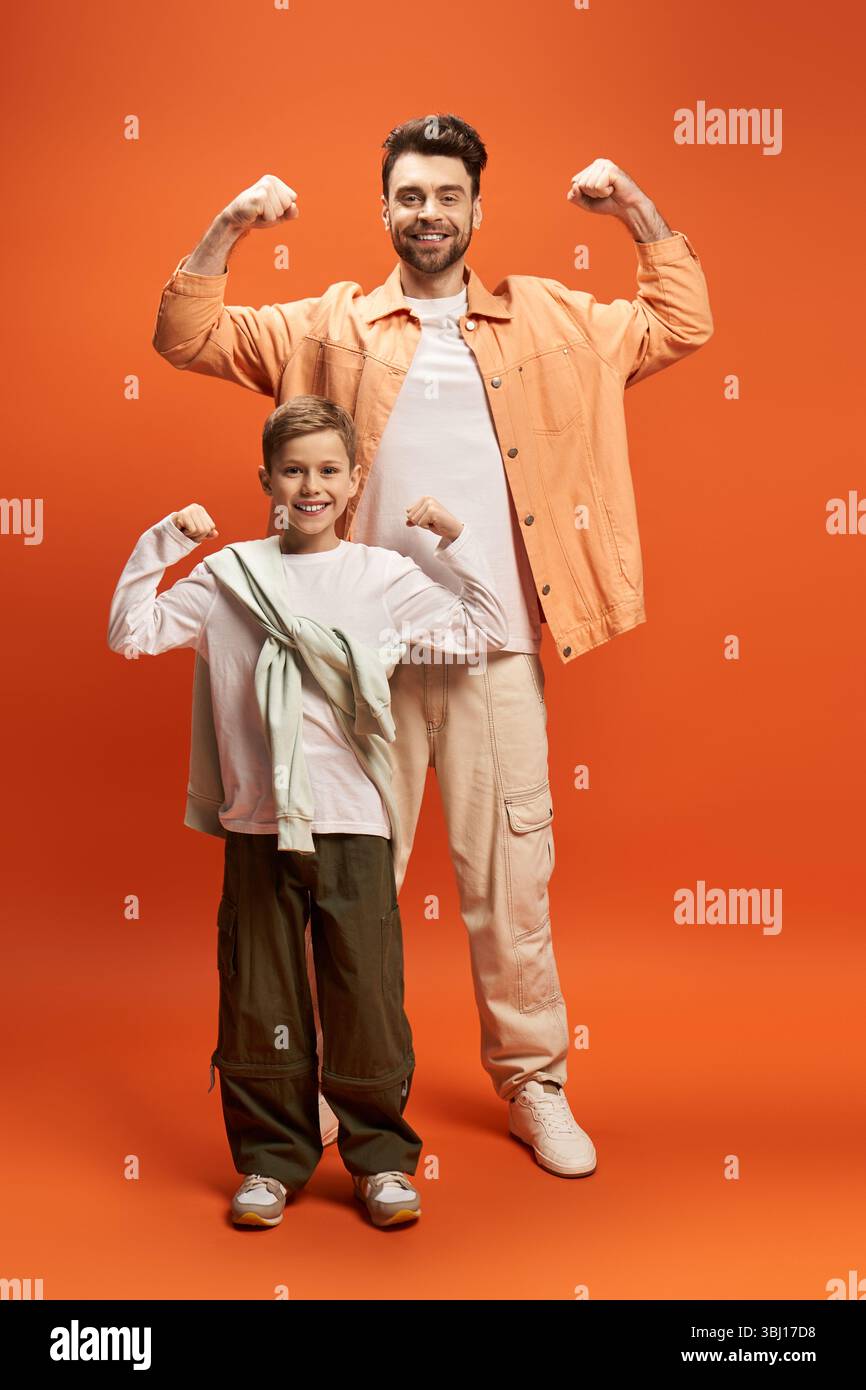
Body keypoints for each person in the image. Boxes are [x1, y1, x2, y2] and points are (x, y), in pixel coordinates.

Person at [151, 113, 714, 1177]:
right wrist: (230, 224)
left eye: (446, 196)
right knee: (344, 885)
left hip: (492, 650)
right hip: (354, 665)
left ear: (474, 209)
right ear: (384, 209)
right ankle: (324, 1084)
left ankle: (534, 1082)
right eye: (409, 196)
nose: (428, 214)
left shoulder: (550, 320)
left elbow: (681, 324)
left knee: (511, 879)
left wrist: (632, 208)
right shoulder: (328, 326)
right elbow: (185, 335)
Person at [106, 394, 508, 1227]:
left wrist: (451, 535)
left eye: (329, 470)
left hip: (355, 817)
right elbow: (130, 631)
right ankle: (269, 1160)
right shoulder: (228, 577)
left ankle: (379, 1161)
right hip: (258, 822)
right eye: (294, 470)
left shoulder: (384, 578)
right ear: (267, 479)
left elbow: (483, 629)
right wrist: (166, 543)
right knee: (260, 992)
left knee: (364, 992)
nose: (311, 486)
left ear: (354, 480)